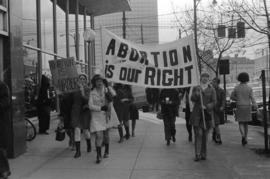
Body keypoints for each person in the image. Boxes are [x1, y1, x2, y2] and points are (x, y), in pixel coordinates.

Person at [190, 73, 216, 161]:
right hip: (197, 114)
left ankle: (203, 154)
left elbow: (214, 101)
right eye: (203, 77)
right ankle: (197, 154)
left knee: (205, 135)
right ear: (200, 78)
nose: (205, 79)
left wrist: (208, 106)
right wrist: (196, 94)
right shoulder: (196, 88)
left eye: (207, 77)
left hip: (207, 115)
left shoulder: (211, 89)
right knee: (198, 134)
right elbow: (192, 99)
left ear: (208, 79)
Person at [230, 72, 257, 146]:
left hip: (239, 106)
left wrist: (237, 99)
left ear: (239, 78)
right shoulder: (249, 88)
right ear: (247, 78)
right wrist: (255, 105)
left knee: (240, 122)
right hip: (247, 106)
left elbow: (231, 97)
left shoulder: (236, 87)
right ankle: (246, 137)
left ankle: (242, 136)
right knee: (246, 123)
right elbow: (252, 98)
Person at [89, 74, 110, 164]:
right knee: (98, 135)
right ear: (94, 83)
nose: (99, 83)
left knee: (106, 135)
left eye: (101, 81)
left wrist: (109, 106)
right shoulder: (92, 92)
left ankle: (107, 151)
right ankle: (98, 155)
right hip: (96, 117)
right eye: (97, 81)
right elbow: (90, 106)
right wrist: (100, 108)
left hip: (105, 116)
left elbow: (112, 101)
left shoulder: (107, 90)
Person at [71, 74, 91, 158]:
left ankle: (89, 144)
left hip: (84, 112)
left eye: (83, 79)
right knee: (77, 130)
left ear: (86, 80)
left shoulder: (88, 89)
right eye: (80, 78)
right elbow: (70, 100)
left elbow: (88, 100)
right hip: (75, 112)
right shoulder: (74, 90)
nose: (82, 80)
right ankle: (78, 151)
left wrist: (82, 90)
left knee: (86, 131)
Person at [0, 80, 11, 178]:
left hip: (1, 123)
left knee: (0, 149)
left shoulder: (2, 86)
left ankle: (5, 170)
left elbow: (6, 102)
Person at [212, 77, 226, 144]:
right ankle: (216, 136)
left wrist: (222, 107)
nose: (212, 83)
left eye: (214, 82)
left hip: (218, 109)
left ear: (217, 83)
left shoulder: (222, 91)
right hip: (211, 109)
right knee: (215, 124)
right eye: (212, 82)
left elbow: (223, 100)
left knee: (216, 124)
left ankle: (217, 136)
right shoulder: (210, 90)